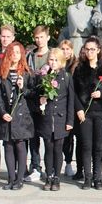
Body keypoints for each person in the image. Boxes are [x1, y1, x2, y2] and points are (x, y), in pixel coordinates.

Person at [73, 36, 102, 190]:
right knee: (86, 146)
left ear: (98, 50)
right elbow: (74, 93)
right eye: (87, 49)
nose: (89, 52)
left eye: (92, 49)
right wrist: (79, 109)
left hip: (101, 112)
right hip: (85, 113)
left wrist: (101, 94)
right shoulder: (79, 69)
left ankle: (97, 178)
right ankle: (87, 178)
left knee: (99, 146)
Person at [0, 41, 35, 190]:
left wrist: (22, 87)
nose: (15, 55)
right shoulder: (2, 72)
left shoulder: (27, 72)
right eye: (12, 52)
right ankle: (11, 179)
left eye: (18, 52)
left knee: (20, 144)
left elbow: (32, 93)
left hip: (21, 114)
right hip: (6, 114)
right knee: (8, 145)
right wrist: (3, 112)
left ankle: (20, 179)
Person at [35, 48, 75, 192]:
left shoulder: (66, 76)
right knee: (48, 148)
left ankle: (57, 177)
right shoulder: (44, 75)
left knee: (58, 148)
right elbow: (36, 93)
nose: (53, 62)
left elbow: (70, 100)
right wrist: (41, 99)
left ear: (62, 61)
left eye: (56, 60)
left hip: (60, 118)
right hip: (47, 117)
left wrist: (70, 121)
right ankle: (49, 176)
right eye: (51, 59)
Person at [27, 25, 51, 181]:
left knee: (48, 137)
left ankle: (50, 168)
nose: (39, 40)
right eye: (36, 37)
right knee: (33, 136)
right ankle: (35, 166)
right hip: (32, 99)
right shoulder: (30, 56)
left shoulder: (52, 55)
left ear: (47, 37)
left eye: (41, 37)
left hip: (48, 101)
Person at [59, 39, 78, 177]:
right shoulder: (57, 64)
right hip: (60, 105)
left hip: (73, 104)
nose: (65, 52)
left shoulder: (75, 65)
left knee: (70, 137)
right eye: (63, 49)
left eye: (68, 49)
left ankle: (69, 163)